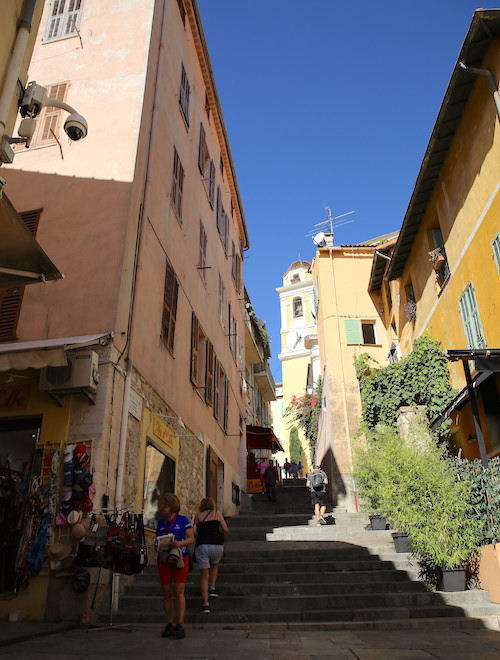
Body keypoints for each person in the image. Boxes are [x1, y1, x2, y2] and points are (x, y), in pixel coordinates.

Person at [155, 493, 194, 639]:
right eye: (161, 505)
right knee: (167, 593)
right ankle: (169, 623)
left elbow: (191, 538)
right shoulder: (160, 523)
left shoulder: (183, 520)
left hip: (180, 558)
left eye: (164, 505)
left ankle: (180, 624)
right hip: (164, 560)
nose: (162, 508)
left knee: (179, 592)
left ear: (172, 506)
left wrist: (180, 543)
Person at [193, 497, 229, 613]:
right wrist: (221, 535)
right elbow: (225, 529)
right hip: (217, 545)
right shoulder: (217, 514)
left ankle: (206, 604)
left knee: (204, 576)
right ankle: (212, 588)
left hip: (202, 545)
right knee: (214, 565)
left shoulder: (198, 516)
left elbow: (193, 531)